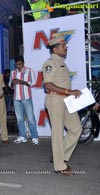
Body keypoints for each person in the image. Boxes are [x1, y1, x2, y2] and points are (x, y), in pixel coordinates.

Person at [42, 33, 82, 176]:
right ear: (55, 49)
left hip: (66, 100)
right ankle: (60, 166)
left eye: (65, 45)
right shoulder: (50, 63)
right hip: (55, 100)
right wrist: (69, 91)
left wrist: (69, 94)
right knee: (58, 133)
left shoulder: (62, 63)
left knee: (76, 128)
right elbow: (48, 85)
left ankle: (60, 155)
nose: (66, 47)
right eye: (63, 46)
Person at [9, 55, 39, 145]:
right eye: (17, 65)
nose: (18, 66)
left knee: (30, 118)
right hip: (16, 99)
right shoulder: (12, 73)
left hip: (26, 98)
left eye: (20, 64)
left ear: (23, 63)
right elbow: (10, 86)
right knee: (19, 119)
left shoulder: (29, 71)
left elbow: (33, 83)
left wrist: (21, 82)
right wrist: (13, 83)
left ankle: (34, 137)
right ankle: (22, 136)